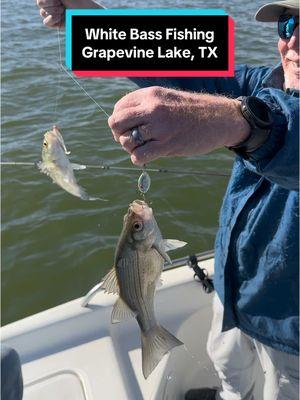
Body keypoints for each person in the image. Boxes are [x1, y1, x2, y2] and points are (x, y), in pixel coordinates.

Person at [37, 1, 299, 399]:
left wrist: (239, 121)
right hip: (232, 293)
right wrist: (84, 19)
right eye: (289, 23)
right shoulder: (267, 86)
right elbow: (182, 66)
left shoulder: (259, 104)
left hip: (290, 332)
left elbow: (282, 133)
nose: (293, 39)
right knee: (230, 376)